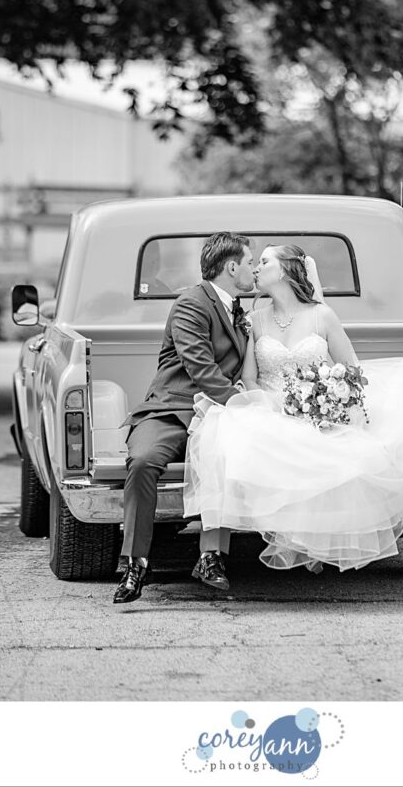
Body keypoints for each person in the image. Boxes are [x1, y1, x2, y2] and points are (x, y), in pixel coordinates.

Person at [183, 245, 403, 574]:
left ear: (288, 271)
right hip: (272, 409)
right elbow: (250, 377)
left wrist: (326, 403)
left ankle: (316, 540)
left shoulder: (322, 316)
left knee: (347, 454)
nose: (256, 268)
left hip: (317, 413)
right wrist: (271, 409)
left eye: (264, 262)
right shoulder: (256, 320)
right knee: (244, 438)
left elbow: (351, 371)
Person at [113, 232, 255, 603]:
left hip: (215, 417)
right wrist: (241, 404)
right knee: (143, 461)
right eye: (250, 262)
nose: (254, 269)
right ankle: (135, 564)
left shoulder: (240, 312)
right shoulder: (191, 303)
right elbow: (200, 367)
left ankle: (211, 558)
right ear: (231, 266)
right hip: (172, 408)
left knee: (225, 460)